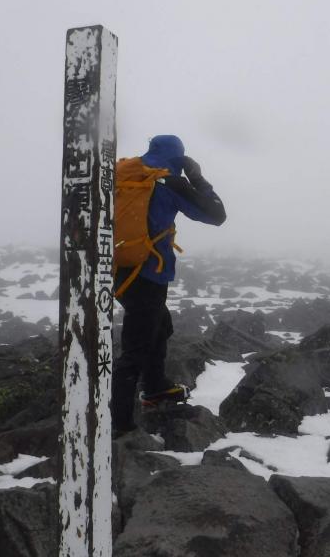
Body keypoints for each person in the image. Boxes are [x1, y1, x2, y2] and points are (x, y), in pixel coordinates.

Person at [112, 135, 226, 434]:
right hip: (148, 272)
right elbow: (216, 215)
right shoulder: (170, 182)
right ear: (179, 157)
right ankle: (119, 423)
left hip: (117, 267)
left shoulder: (124, 174)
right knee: (136, 345)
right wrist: (198, 177)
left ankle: (155, 386)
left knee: (160, 324)